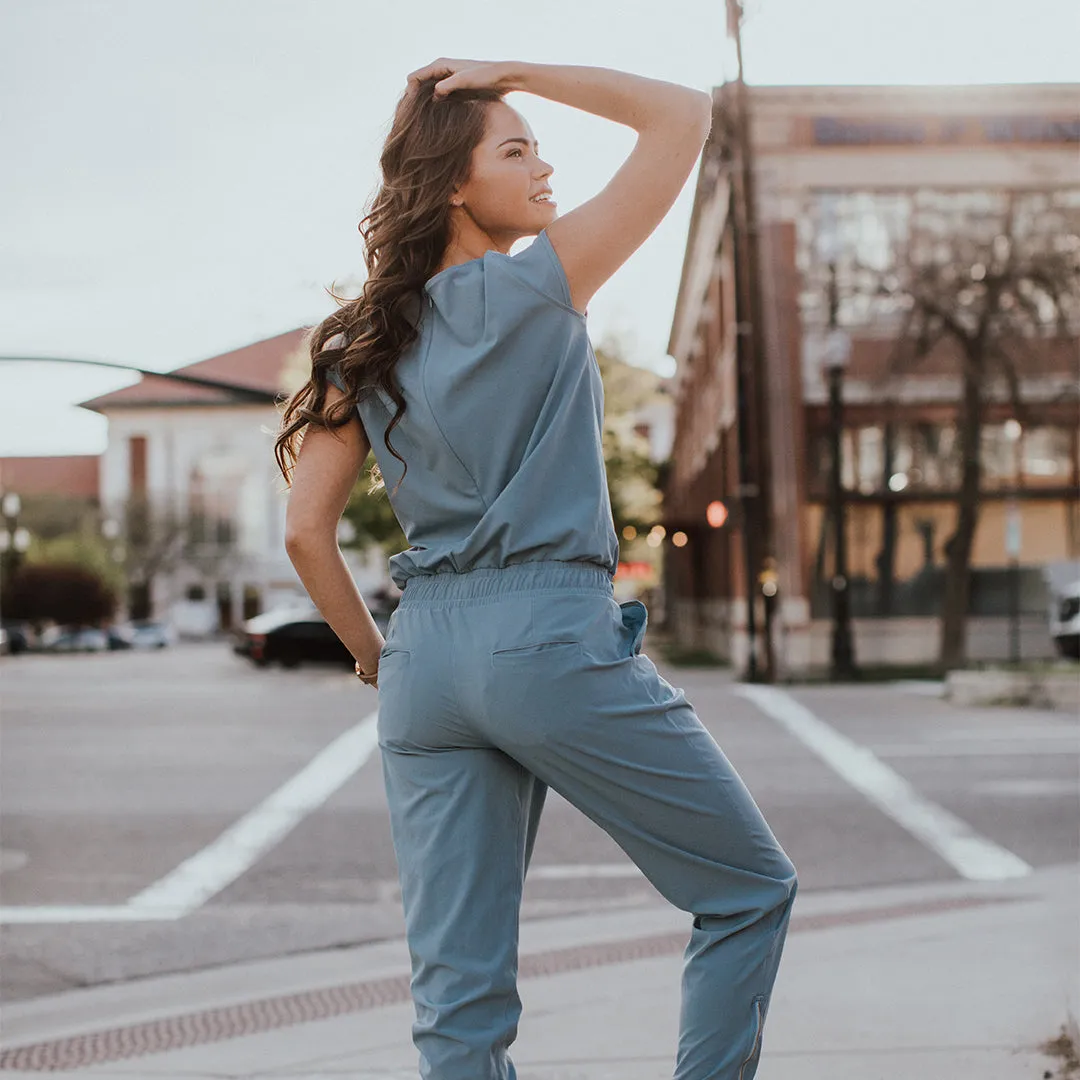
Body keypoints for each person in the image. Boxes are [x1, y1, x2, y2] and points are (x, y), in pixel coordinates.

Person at [276, 58, 798, 1080]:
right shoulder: (542, 280)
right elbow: (685, 114)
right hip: (547, 635)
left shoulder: (363, 341)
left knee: (457, 1005)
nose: (546, 165)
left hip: (424, 660)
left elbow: (306, 532)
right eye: (516, 149)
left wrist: (377, 656)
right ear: (455, 184)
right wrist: (518, 70)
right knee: (746, 891)